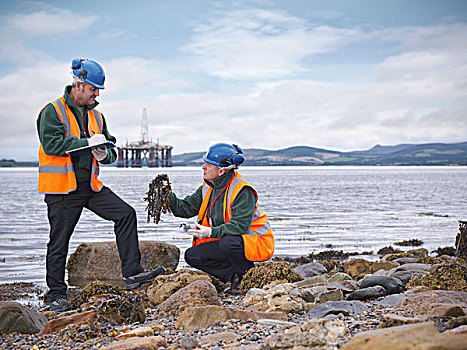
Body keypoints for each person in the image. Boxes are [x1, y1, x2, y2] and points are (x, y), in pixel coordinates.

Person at [37, 58, 164, 312]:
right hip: (63, 189)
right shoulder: (52, 111)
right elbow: (52, 145)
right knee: (59, 241)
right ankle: (57, 294)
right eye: (94, 89)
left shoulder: (97, 115)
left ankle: (132, 273)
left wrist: (106, 155)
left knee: (126, 214)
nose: (97, 95)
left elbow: (111, 147)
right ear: (79, 84)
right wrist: (87, 144)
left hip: (90, 187)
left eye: (99, 90)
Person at [168, 143, 275, 294]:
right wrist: (167, 195)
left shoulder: (242, 190)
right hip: (230, 240)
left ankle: (247, 277)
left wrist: (210, 232)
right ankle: (233, 276)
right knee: (192, 256)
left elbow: (240, 227)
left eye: (208, 164)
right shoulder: (208, 187)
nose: (203, 167)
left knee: (228, 243)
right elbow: (184, 208)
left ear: (221, 170)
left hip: (257, 241)